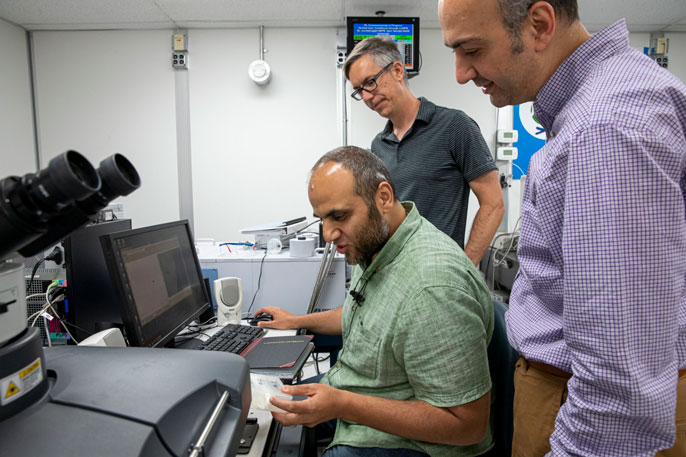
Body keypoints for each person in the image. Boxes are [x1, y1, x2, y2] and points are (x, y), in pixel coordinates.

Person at [438, 0, 686, 455]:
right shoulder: (597, 103)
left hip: (577, 404)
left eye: (470, 49)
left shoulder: (604, 126)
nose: (461, 73)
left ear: (539, 24)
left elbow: (619, 388)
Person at [254, 146, 495, 457]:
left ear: (383, 197)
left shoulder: (433, 287)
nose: (328, 233)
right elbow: (367, 312)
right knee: (263, 413)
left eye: (339, 216)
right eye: (322, 219)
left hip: (418, 445)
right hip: (357, 392)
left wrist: (342, 404)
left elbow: (467, 426)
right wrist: (296, 321)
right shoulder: (380, 243)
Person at [343, 37, 504, 265]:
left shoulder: (454, 126)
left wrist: (464, 268)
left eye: (370, 82)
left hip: (437, 275)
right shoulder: (379, 145)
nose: (367, 97)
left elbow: (494, 203)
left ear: (398, 70)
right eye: (359, 90)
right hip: (393, 274)